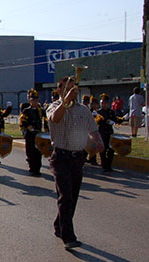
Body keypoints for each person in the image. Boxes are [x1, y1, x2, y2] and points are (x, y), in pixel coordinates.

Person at [46, 76, 104, 249]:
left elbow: (92, 129)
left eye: (74, 89)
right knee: (66, 197)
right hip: (61, 157)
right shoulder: (53, 107)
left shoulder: (84, 110)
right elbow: (56, 119)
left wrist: (99, 142)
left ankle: (59, 225)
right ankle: (68, 236)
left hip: (77, 158)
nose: (72, 92)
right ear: (59, 91)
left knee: (73, 196)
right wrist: (66, 101)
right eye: (67, 89)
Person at [19, 89, 48, 176]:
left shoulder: (40, 110)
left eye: (36, 100)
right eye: (32, 100)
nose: (34, 102)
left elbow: (46, 119)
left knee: (38, 151)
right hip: (30, 134)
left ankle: (37, 168)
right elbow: (23, 120)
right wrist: (29, 127)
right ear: (30, 101)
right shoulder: (26, 110)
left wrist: (46, 129)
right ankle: (32, 167)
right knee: (31, 151)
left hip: (38, 133)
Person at [95, 93, 123, 172]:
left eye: (105, 103)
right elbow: (98, 121)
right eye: (102, 103)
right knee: (103, 150)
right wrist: (106, 121)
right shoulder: (98, 112)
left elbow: (115, 119)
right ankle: (104, 165)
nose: (104, 105)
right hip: (102, 132)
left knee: (111, 149)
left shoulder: (111, 112)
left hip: (110, 132)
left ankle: (109, 165)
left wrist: (121, 119)